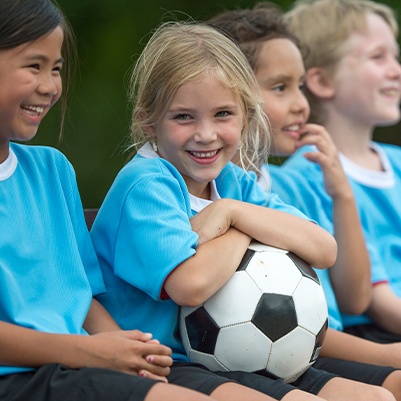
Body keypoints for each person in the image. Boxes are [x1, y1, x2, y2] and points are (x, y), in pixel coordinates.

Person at [90, 19, 396, 401]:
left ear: (246, 117)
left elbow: (323, 248)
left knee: (378, 397)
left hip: (244, 354)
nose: (206, 134)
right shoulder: (147, 184)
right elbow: (190, 284)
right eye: (184, 116)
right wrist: (243, 223)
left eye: (223, 114)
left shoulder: (234, 184)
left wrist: (231, 211)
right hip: (169, 362)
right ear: (148, 121)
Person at [0, 2, 220, 401]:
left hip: (75, 367)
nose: (50, 86)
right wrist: (91, 352)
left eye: (56, 68)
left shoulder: (52, 170)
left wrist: (133, 355)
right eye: (34, 66)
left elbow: (80, 293)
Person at [207, 3, 401, 400]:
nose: (301, 103)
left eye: (299, 86)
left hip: (318, 345)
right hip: (278, 356)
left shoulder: (295, 185)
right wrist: (385, 353)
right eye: (281, 88)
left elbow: (354, 297)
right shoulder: (222, 192)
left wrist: (342, 194)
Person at [268, 0, 401, 368]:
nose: (396, 70)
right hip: (376, 335)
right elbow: (374, 302)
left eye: (396, 56)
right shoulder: (311, 175)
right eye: (378, 57)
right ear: (323, 81)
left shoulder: (397, 161)